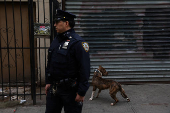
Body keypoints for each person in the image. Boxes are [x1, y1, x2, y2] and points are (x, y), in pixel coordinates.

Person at [45, 9, 90, 113]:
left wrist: (81, 92)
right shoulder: (56, 40)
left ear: (66, 23)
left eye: (57, 22)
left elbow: (84, 68)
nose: (54, 25)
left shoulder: (78, 43)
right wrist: (48, 82)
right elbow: (50, 62)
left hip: (71, 90)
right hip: (54, 89)